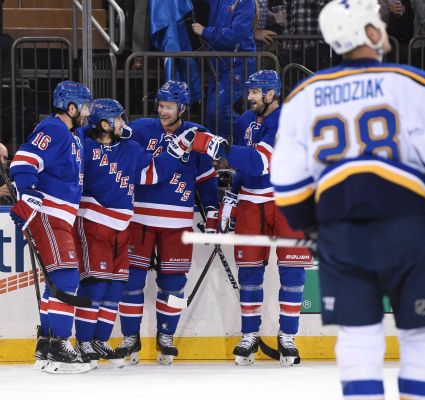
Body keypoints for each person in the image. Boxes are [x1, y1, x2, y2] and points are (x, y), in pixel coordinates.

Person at [270, 0, 425, 398]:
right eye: (379, 22)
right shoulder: (414, 84)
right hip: (410, 230)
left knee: (357, 344)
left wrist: (316, 227)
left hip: (343, 235)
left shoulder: (303, 95)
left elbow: (285, 183)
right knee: (424, 340)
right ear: (369, 32)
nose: (384, 27)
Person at [191, 70, 313, 366]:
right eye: (249, 92)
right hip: (251, 203)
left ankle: (288, 338)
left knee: (292, 273)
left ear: (271, 93)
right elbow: (245, 167)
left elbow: (260, 162)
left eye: (255, 92)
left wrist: (220, 148)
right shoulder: (247, 121)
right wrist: (232, 196)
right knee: (249, 271)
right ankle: (249, 335)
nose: (249, 97)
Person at [73, 98, 196, 369]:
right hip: (93, 223)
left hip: (121, 227)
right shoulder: (83, 145)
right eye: (118, 119)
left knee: (115, 286)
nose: (124, 124)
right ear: (104, 124)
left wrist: (175, 149)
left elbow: (152, 174)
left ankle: (100, 340)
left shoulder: (129, 148)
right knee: (95, 283)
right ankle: (83, 340)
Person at [116, 81, 218, 365]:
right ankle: (130, 338)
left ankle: (166, 336)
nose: (163, 111)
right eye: (161, 105)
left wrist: (211, 212)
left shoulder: (197, 134)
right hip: (139, 218)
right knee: (131, 282)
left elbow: (206, 179)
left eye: (169, 106)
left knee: (173, 284)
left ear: (182, 108)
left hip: (177, 221)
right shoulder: (141, 129)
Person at [9, 80, 94, 374]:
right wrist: (27, 190)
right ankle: (59, 346)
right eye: (83, 106)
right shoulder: (53, 129)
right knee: (67, 278)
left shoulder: (73, 134)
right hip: (48, 213)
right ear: (70, 107)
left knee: (56, 282)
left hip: (60, 216)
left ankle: (45, 348)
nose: (86, 112)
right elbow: (23, 160)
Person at [192, 0, 257, 140]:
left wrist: (205, 31)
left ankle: (253, 135)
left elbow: (235, 34)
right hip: (219, 64)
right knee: (212, 116)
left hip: (239, 64)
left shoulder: (246, 2)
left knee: (217, 111)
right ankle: (223, 153)